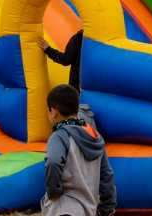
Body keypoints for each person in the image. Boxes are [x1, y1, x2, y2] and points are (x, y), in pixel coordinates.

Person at [42, 84, 116, 216]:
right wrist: (107, 207)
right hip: (89, 210)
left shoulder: (59, 136)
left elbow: (53, 162)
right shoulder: (95, 136)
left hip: (63, 209)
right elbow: (107, 175)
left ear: (53, 112)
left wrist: (54, 192)